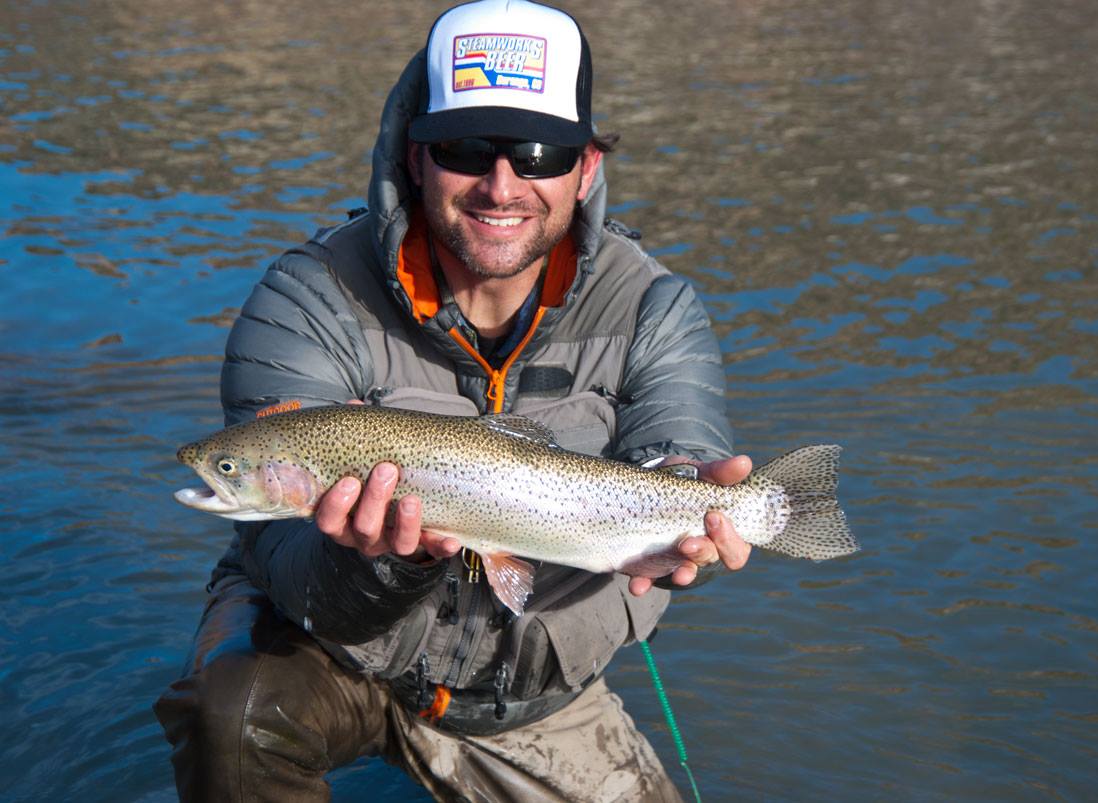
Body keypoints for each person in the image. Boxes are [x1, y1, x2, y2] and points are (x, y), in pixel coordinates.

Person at [154, 1, 754, 800]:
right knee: (233, 713)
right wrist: (382, 562)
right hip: (330, 653)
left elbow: (675, 452)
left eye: (539, 153)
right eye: (466, 148)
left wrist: (694, 534)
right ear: (416, 157)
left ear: (587, 167)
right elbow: (288, 570)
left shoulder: (655, 308)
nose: (501, 185)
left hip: (534, 696)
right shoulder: (307, 297)